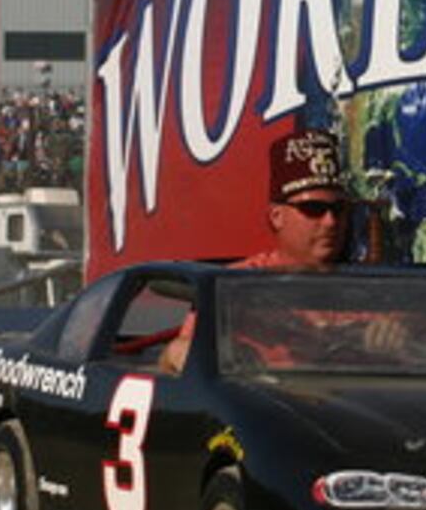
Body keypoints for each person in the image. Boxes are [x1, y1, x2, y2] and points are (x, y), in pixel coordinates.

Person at [158, 128, 400, 375]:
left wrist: (396, 338)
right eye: (313, 208)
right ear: (276, 216)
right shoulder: (234, 287)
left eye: (338, 209)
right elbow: (173, 358)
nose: (330, 221)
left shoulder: (371, 291)